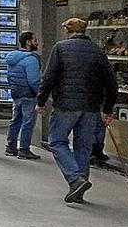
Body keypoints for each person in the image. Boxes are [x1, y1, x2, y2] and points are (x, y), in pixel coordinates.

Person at [36, 17, 118, 203]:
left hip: (66, 104)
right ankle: (79, 188)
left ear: (67, 30)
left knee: (56, 140)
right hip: (91, 107)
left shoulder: (61, 48)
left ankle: (75, 179)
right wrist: (107, 108)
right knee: (83, 146)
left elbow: (48, 78)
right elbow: (111, 83)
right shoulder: (98, 51)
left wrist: (41, 101)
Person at [5, 31, 42, 160]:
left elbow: (9, 77)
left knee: (15, 120)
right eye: (35, 40)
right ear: (28, 42)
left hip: (16, 93)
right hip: (28, 95)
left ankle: (10, 147)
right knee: (28, 122)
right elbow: (34, 80)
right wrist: (40, 94)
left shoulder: (12, 58)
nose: (37, 42)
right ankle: (24, 149)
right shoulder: (31, 59)